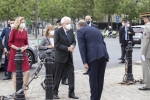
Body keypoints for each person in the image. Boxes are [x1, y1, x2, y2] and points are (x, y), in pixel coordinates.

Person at [77, 20, 109, 100]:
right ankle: (98, 98)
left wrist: (84, 61)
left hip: (93, 56)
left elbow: (82, 47)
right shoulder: (95, 29)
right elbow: (103, 43)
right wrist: (107, 58)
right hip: (103, 55)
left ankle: (94, 98)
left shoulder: (80, 31)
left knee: (93, 79)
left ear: (79, 26)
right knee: (100, 79)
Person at [53, 16, 79, 99]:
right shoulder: (58, 31)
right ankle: (55, 92)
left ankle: (71, 93)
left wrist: (72, 46)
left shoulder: (71, 30)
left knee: (71, 75)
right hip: (60, 57)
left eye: (70, 23)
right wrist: (67, 48)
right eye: (67, 23)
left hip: (69, 57)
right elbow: (56, 45)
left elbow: (74, 41)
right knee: (58, 75)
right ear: (63, 24)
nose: (69, 25)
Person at [8, 17, 30, 96]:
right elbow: (9, 43)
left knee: (27, 71)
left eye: (24, 22)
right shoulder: (14, 30)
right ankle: (16, 91)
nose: (23, 23)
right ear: (18, 23)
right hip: (15, 53)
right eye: (22, 22)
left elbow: (27, 43)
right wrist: (17, 48)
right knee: (15, 73)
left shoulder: (25, 31)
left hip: (23, 53)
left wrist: (25, 47)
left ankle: (23, 89)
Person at [38, 25, 55, 90]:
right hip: (47, 57)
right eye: (51, 29)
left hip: (55, 56)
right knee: (50, 71)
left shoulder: (55, 38)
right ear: (48, 31)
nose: (52, 31)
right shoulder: (45, 38)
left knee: (55, 71)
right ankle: (45, 83)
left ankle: (47, 83)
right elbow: (40, 46)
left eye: (53, 29)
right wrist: (48, 47)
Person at [139, 12, 150, 90]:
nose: (143, 20)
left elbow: (146, 41)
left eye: (144, 19)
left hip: (147, 52)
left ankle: (148, 85)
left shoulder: (147, 27)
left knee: (146, 69)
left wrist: (142, 53)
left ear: (146, 19)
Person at [55, 19, 68, 85]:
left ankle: (64, 79)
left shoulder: (68, 31)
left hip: (66, 52)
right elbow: (56, 44)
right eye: (59, 25)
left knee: (65, 68)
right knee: (58, 70)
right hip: (58, 53)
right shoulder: (57, 31)